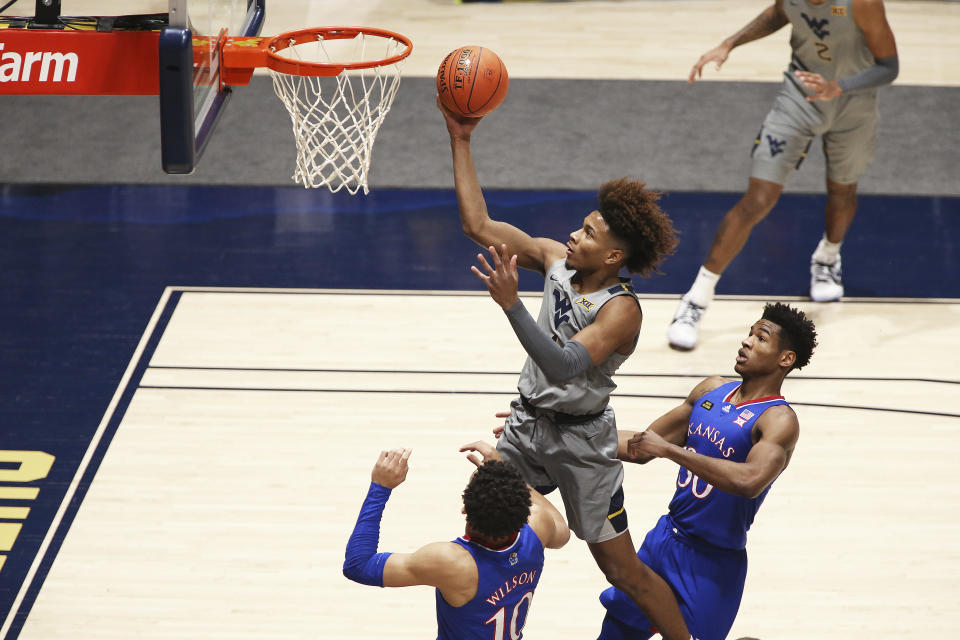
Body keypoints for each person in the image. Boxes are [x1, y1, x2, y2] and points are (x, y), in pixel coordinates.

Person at [438, 98, 692, 640]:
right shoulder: (555, 260)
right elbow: (477, 223)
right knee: (483, 529)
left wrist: (510, 303)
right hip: (528, 427)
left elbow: (564, 365)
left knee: (621, 571)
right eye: (581, 226)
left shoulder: (621, 311)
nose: (576, 235)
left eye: (591, 234)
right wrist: (461, 138)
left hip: (583, 444)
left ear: (613, 257)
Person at [668, 0, 898, 350]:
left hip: (853, 103)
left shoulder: (862, 3)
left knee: (842, 189)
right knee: (756, 200)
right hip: (799, 97)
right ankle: (695, 300)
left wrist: (839, 86)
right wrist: (728, 43)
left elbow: (889, 67)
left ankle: (827, 258)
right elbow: (779, 13)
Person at [598, 302, 817, 640]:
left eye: (761, 338)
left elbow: (749, 481)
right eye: (748, 334)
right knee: (618, 632)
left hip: (712, 562)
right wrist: (561, 435)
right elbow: (642, 445)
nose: (746, 342)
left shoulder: (778, 420)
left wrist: (670, 451)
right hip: (665, 540)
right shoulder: (710, 390)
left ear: (785, 359)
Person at [342, 442, 570, 640]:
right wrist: (506, 474)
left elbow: (358, 566)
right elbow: (562, 531)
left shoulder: (453, 562)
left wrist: (379, 487)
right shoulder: (539, 528)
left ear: (464, 509)